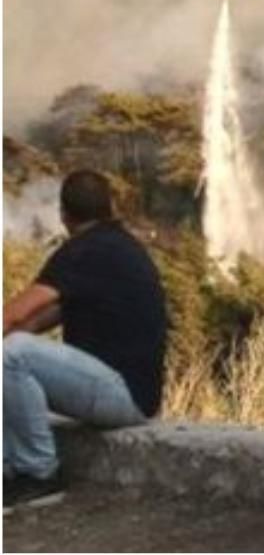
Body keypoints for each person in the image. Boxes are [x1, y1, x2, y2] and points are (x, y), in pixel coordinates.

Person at [2, 169, 168, 512]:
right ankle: (11, 467)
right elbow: (39, 320)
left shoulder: (84, 252)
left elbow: (17, 314)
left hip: (123, 394)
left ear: (64, 215)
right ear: (110, 207)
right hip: (136, 393)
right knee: (13, 350)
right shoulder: (119, 246)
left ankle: (38, 474)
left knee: (11, 355)